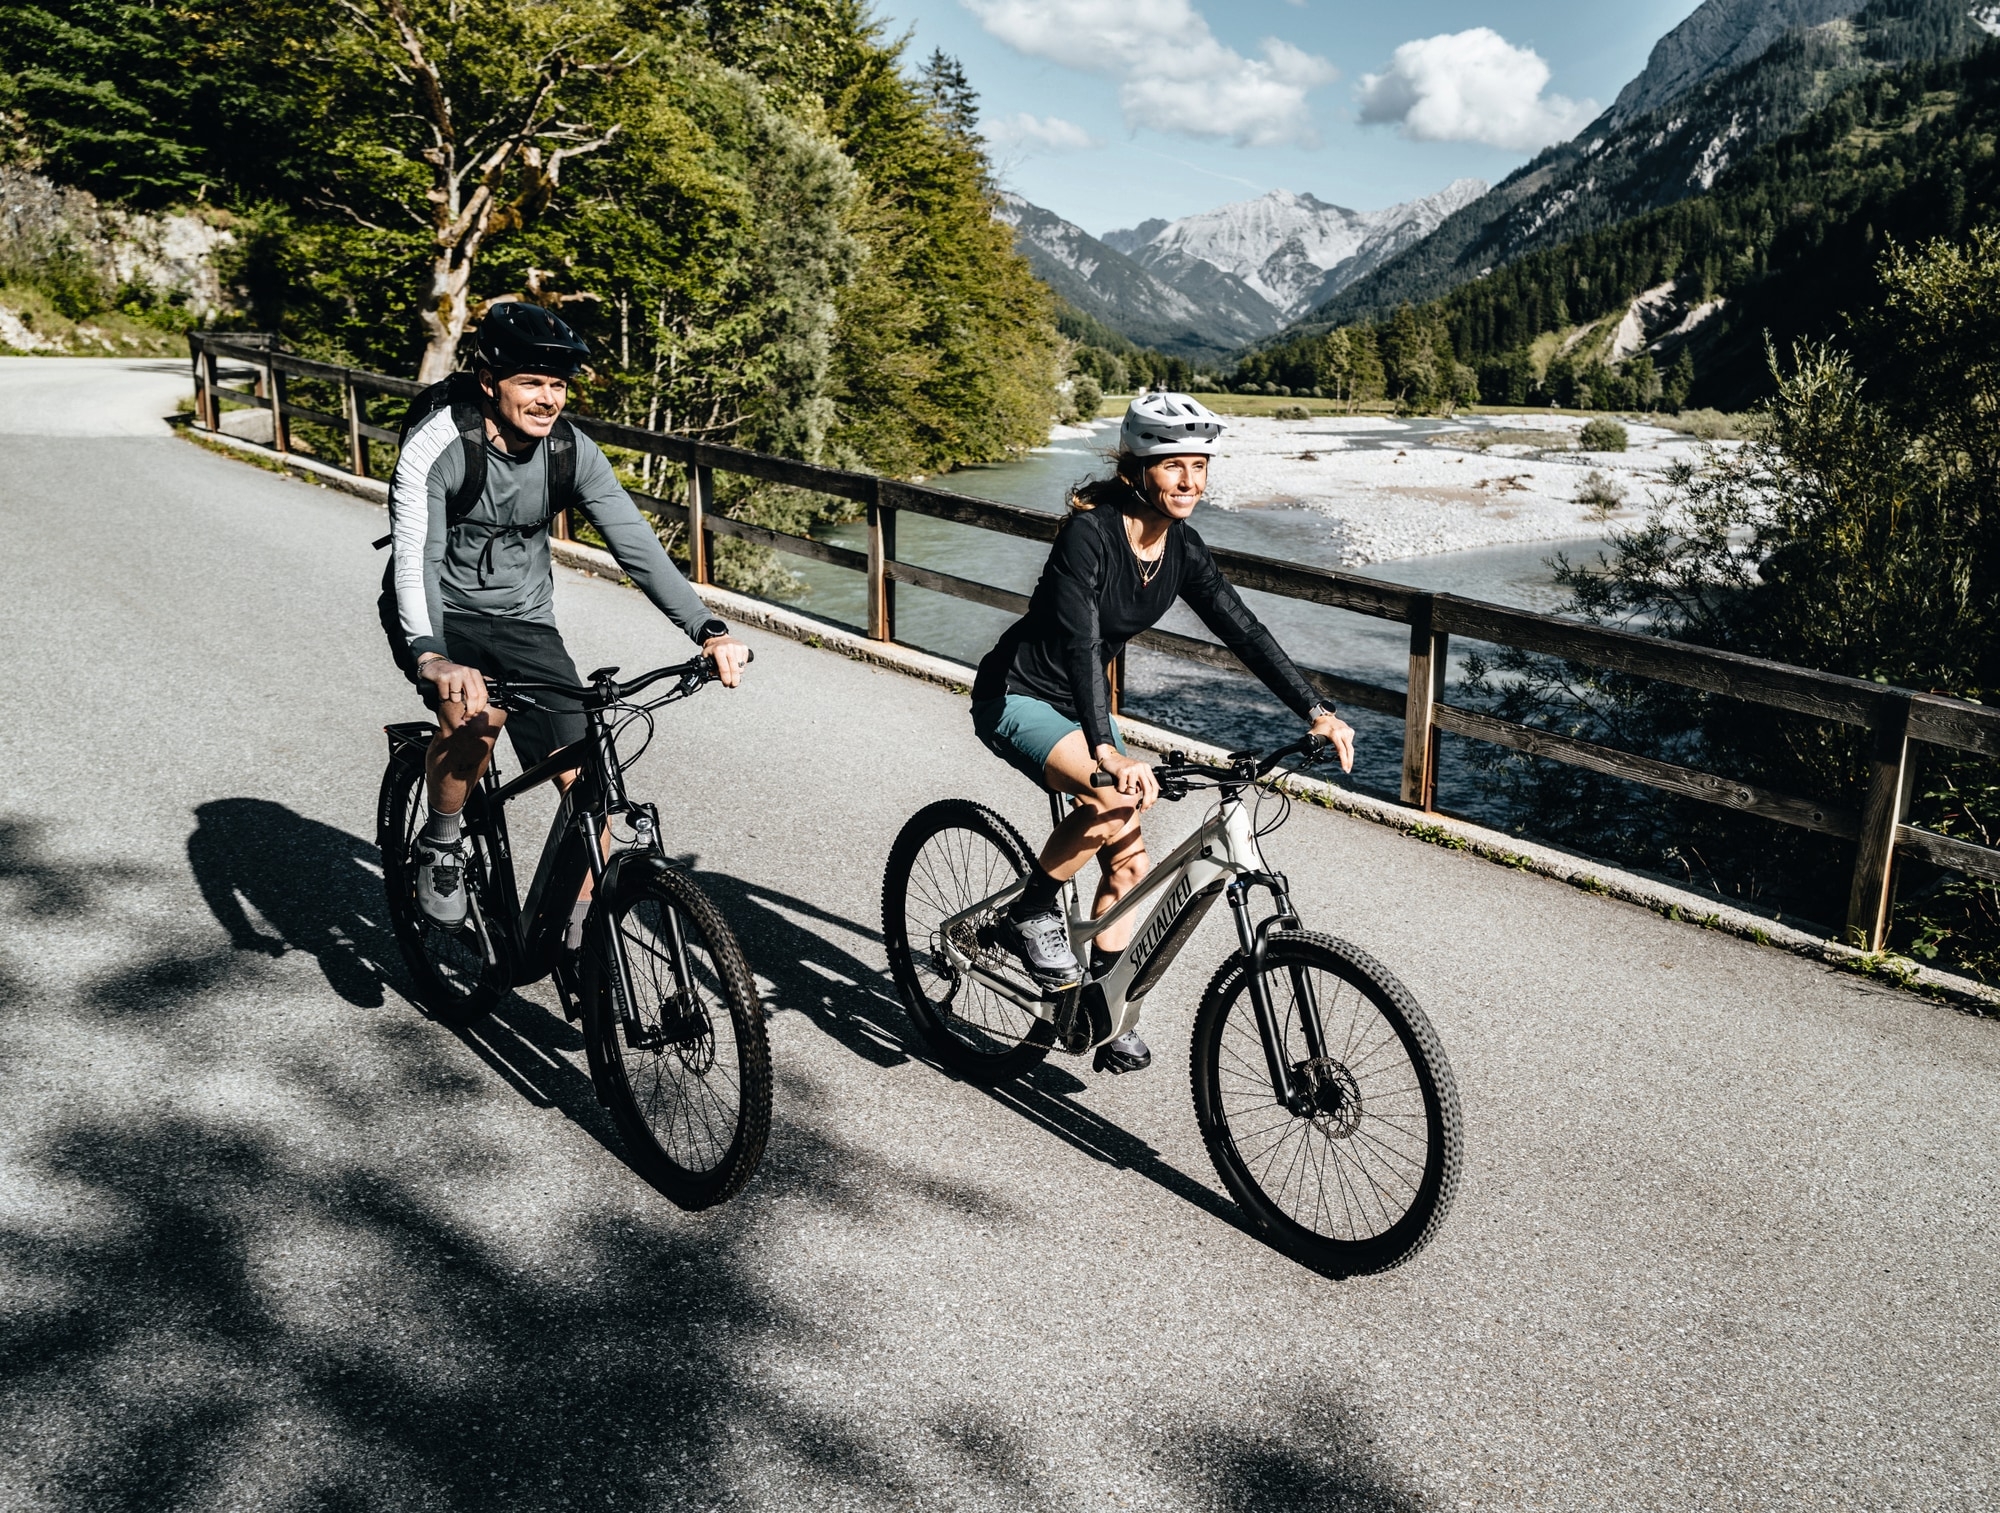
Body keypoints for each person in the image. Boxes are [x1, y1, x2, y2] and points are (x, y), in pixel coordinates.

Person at [969, 392, 1354, 1074]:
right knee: (1114, 800)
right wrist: (1108, 750)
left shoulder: (1182, 548)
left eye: (1200, 465)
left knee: (1130, 863)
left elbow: (1244, 629)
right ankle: (1031, 911)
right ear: (1138, 468)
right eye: (1175, 465)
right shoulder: (1089, 533)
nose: (1191, 481)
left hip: (1086, 710)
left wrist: (1313, 710)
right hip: (1020, 694)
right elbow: (1084, 645)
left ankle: (1103, 1010)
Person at [385, 302, 749, 926]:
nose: (548, 398)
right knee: (476, 719)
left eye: (557, 385)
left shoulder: (570, 451)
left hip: (524, 619)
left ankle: (586, 932)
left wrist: (708, 629)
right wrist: (432, 655)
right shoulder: (438, 445)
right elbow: (417, 558)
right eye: (531, 382)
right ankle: (442, 841)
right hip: (439, 614)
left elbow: (635, 543)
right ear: (489, 382)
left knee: (589, 781)